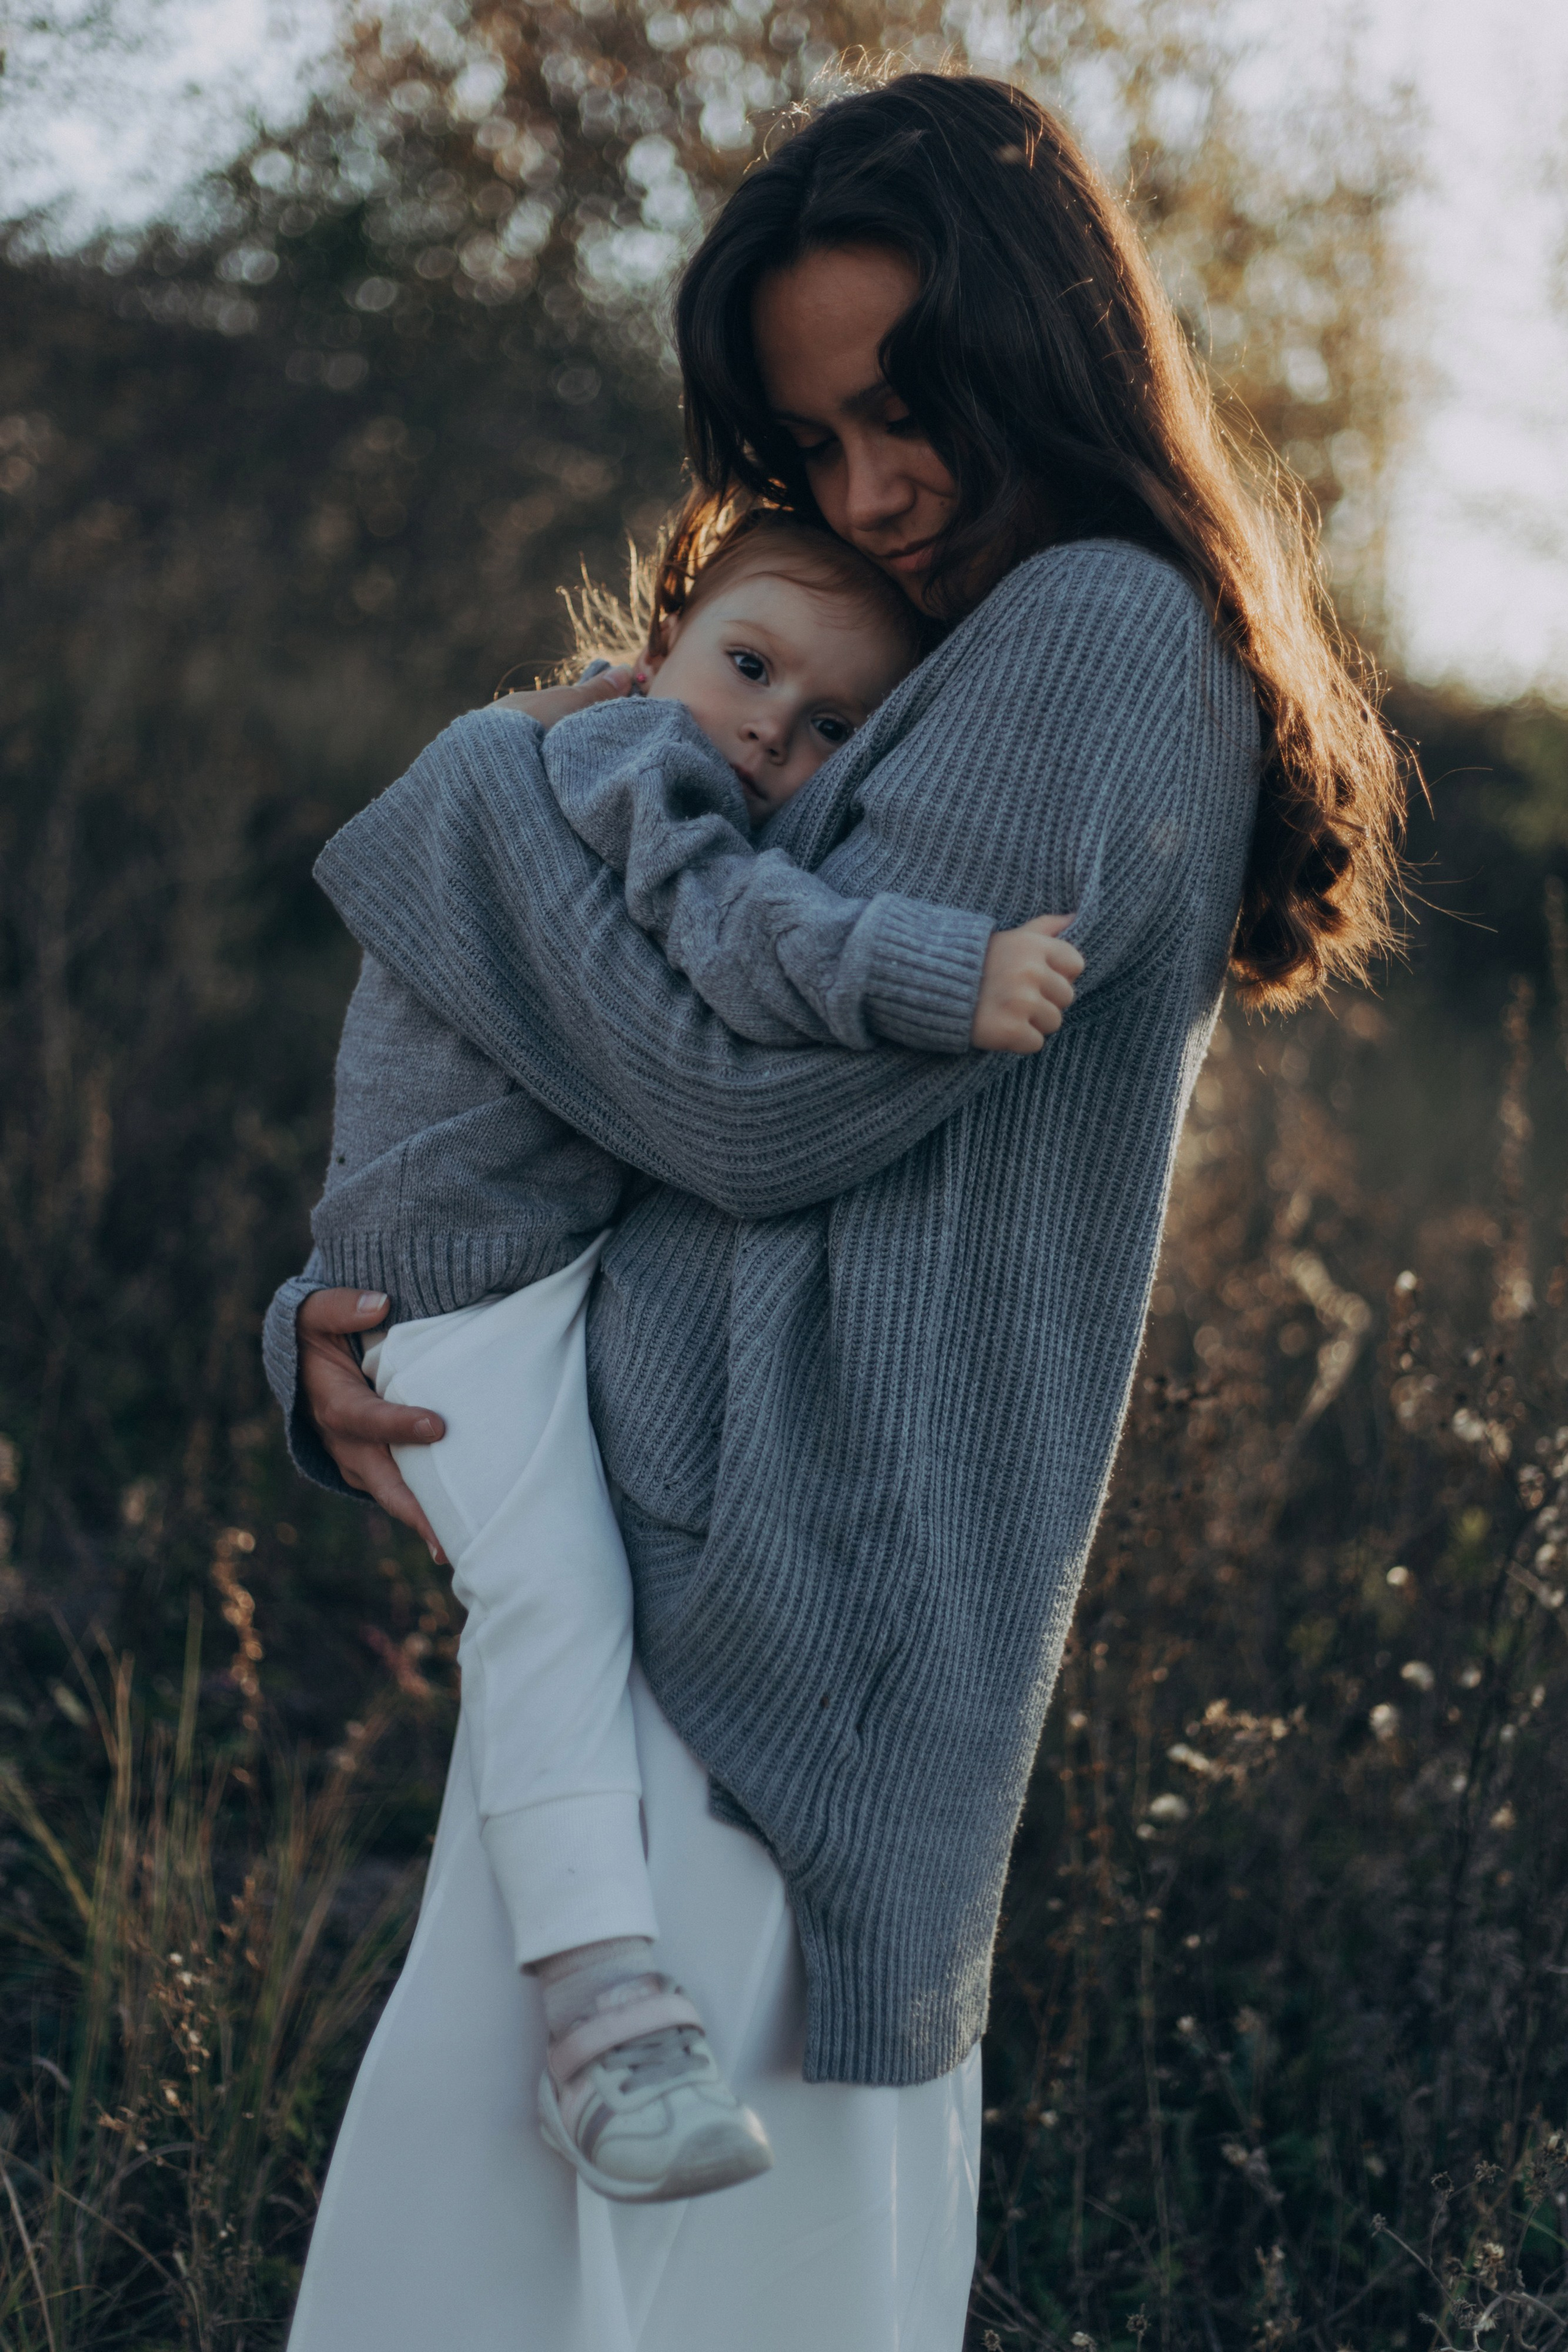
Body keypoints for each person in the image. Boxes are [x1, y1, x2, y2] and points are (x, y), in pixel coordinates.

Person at [266, 71, 1403, 2352]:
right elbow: (627, 1082)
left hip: (788, 1643)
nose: (874, 496)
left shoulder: (1084, 624)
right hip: (703, 1584)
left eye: (915, 411)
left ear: (1049, 355)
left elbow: (752, 1108)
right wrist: (377, 1300)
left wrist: (480, 796)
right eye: (814, 451)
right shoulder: (972, 634)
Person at [292, 508, 1080, 2207]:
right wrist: (958, 972)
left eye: (830, 728)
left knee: (565, 1582)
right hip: (465, 1288)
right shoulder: (634, 761)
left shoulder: (623, 755)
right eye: (747, 664)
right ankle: (603, 2021)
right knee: (554, 1598)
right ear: (661, 642)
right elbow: (734, 947)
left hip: (510, 1265)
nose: (767, 730)